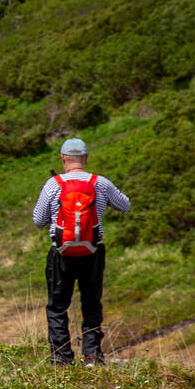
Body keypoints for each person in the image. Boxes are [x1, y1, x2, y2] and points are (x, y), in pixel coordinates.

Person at [32, 137, 131, 367]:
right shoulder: (100, 183)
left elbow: (38, 220)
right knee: (91, 302)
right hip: (93, 252)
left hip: (61, 253)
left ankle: (61, 357)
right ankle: (92, 355)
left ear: (63, 158)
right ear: (85, 158)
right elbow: (125, 205)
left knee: (57, 305)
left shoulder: (53, 184)